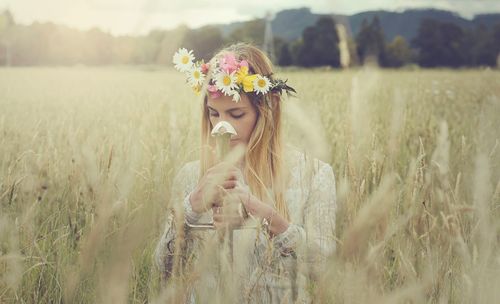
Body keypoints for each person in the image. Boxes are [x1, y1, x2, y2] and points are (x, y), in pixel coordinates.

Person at [154, 42, 337, 303]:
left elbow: (322, 269)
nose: (221, 127)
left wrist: (263, 215)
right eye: (213, 114)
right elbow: (164, 269)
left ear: (267, 110)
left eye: (236, 114)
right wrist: (192, 206)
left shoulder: (314, 174)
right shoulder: (191, 176)